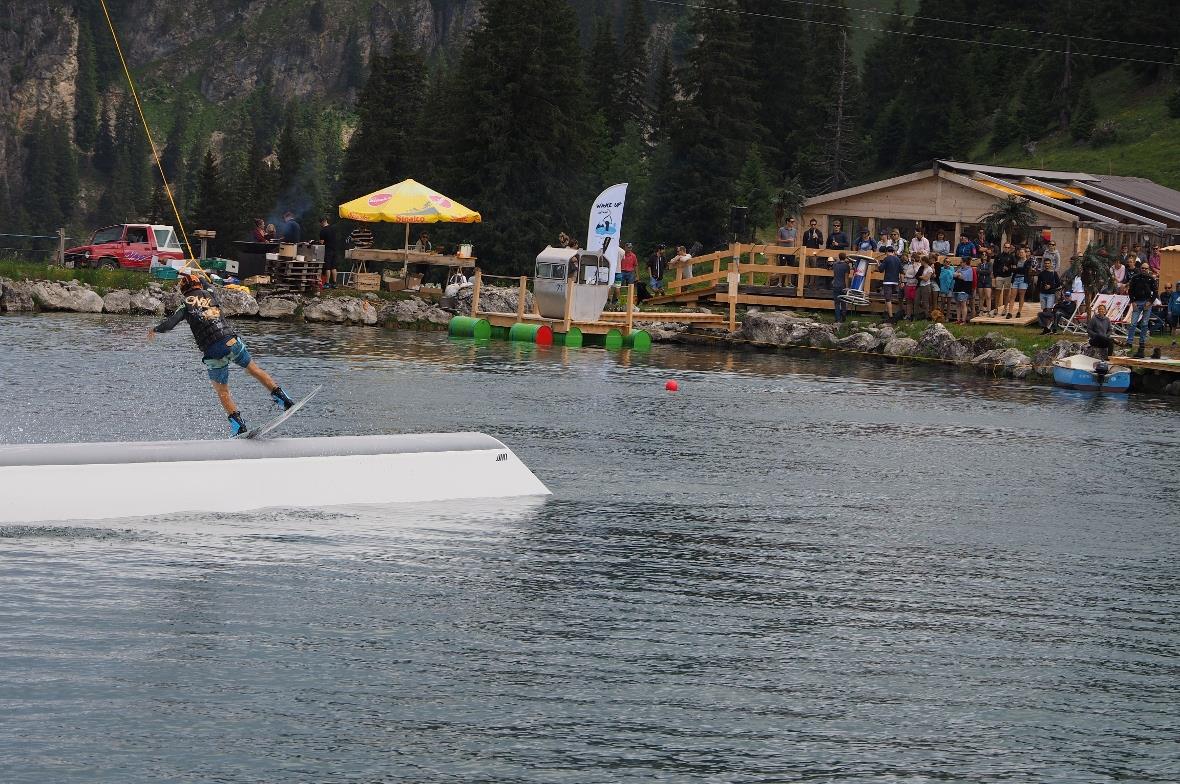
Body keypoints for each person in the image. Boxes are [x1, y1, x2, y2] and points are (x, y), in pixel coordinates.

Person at [147, 270, 295, 437]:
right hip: (231, 342)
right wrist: (197, 275)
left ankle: (238, 426)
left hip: (213, 353)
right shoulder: (211, 294)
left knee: (223, 392)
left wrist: (155, 329)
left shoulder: (185, 306)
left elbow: (169, 324)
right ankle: (284, 400)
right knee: (254, 370)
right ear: (198, 284)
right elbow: (206, 282)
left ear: (183, 290)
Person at [1125, 261, 1157, 357]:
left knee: (1144, 324)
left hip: (1147, 302)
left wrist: (1150, 302)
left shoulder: (1151, 279)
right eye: (1142, 268)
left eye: (1146, 268)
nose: (1144, 269)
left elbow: (1155, 292)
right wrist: (1133, 302)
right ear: (1140, 268)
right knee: (1133, 323)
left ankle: (1142, 342)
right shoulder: (1135, 278)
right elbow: (1130, 291)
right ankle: (1129, 341)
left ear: (1148, 269)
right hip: (1137, 302)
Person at [877, 247, 902, 322]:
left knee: (888, 299)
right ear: (893, 251)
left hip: (888, 281)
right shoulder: (898, 259)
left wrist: (878, 264)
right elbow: (901, 270)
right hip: (895, 281)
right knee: (890, 298)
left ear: (887, 252)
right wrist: (902, 281)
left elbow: (881, 270)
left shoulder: (886, 259)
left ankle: (891, 316)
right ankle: (886, 312)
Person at [317, 216, 338, 289]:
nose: (320, 225)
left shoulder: (323, 230)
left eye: (320, 223)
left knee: (327, 267)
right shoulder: (333, 228)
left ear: (322, 222)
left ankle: (327, 283)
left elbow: (321, 242)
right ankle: (335, 283)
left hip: (328, 250)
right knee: (334, 267)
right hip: (334, 249)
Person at [776, 218, 798, 287]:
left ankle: (789, 282)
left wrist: (796, 249)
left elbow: (795, 240)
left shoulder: (794, 230)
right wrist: (786, 240)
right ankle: (779, 282)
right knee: (782, 266)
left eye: (793, 221)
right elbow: (778, 239)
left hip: (791, 252)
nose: (793, 223)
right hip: (783, 251)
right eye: (791, 221)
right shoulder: (781, 229)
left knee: (790, 267)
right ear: (787, 222)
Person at [953, 256, 974, 324]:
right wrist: (958, 274)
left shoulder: (969, 269)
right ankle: (958, 319)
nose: (960, 263)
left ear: (965, 263)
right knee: (958, 305)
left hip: (964, 289)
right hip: (957, 288)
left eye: (961, 262)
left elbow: (963, 277)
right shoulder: (959, 269)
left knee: (963, 304)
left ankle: (963, 320)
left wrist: (958, 275)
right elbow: (953, 274)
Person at [831, 252, 851, 324]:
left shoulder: (835, 265)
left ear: (839, 257)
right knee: (843, 302)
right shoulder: (846, 266)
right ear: (845, 257)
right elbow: (846, 278)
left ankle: (837, 319)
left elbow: (835, 274)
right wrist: (847, 287)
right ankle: (843, 318)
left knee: (836, 303)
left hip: (835, 285)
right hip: (842, 286)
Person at [976, 247, 994, 315]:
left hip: (987, 281)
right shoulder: (979, 264)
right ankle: (981, 310)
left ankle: (989, 311)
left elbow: (989, 272)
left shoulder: (990, 264)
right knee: (981, 297)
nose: (984, 256)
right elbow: (977, 271)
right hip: (980, 281)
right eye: (983, 254)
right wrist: (983, 271)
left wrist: (981, 271)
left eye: (985, 254)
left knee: (988, 296)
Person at [901, 252, 919, 320]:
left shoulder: (918, 265)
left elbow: (916, 274)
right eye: (911, 259)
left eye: (913, 259)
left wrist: (914, 267)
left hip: (915, 285)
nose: (911, 261)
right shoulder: (909, 266)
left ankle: (914, 315)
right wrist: (909, 276)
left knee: (915, 301)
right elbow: (906, 274)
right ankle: (908, 315)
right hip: (908, 284)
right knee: (908, 301)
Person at [916, 255, 934, 319]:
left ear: (924, 261)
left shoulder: (929, 269)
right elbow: (917, 275)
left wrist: (920, 276)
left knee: (925, 302)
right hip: (920, 285)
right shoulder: (921, 267)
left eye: (921, 261)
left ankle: (926, 316)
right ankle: (917, 316)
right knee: (917, 301)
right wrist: (922, 277)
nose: (920, 262)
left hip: (926, 286)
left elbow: (926, 279)